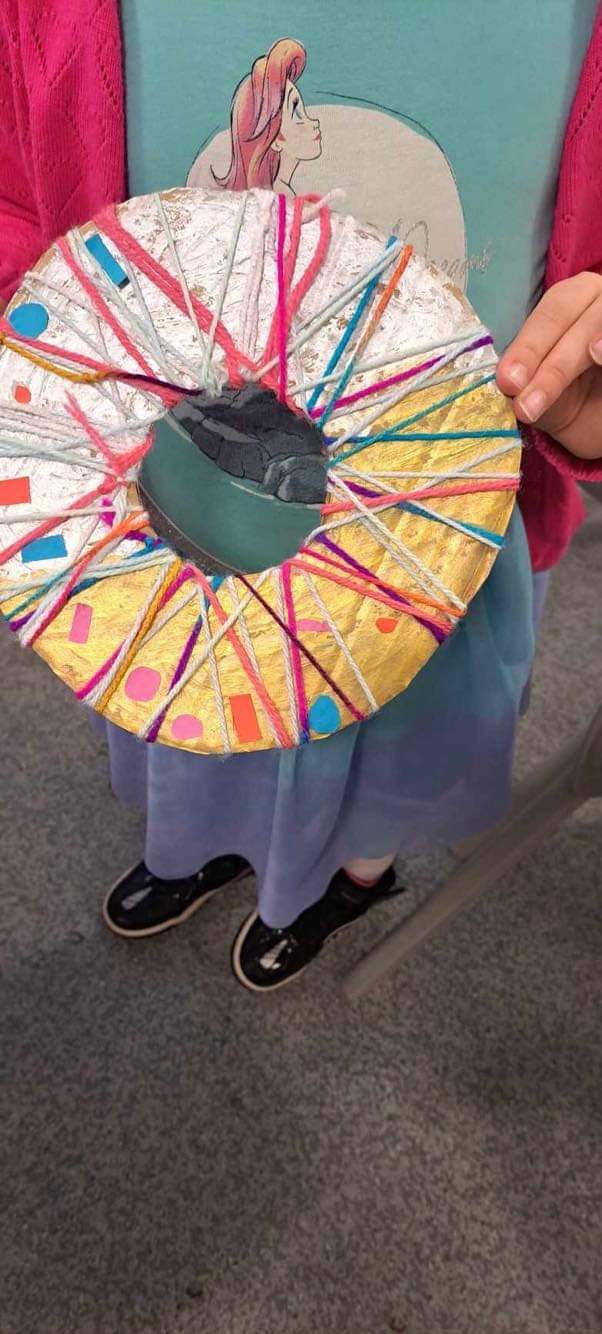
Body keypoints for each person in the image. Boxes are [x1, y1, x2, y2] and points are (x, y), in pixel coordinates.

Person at [1, 2, 602, 993]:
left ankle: (351, 880)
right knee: (205, 728)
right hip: (184, 525)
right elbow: (24, 208)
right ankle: (201, 845)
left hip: (438, 545)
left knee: (392, 745)